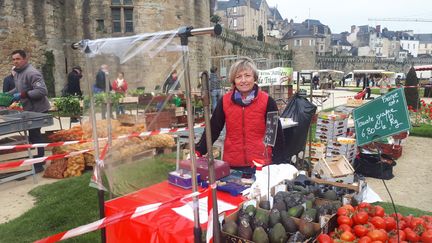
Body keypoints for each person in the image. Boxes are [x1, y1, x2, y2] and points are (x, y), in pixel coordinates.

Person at [195, 57, 285, 174]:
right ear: (233, 80)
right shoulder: (225, 101)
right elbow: (213, 128)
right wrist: (199, 150)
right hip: (233, 164)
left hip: (260, 164)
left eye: (247, 75)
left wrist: (279, 163)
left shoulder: (268, 101)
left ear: (254, 78)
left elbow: (275, 134)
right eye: (238, 77)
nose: (243, 80)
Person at [8, 50, 50, 173]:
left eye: (18, 59)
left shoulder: (32, 73)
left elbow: (42, 91)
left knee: (35, 135)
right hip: (29, 109)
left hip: (39, 109)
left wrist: (23, 94)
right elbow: (18, 88)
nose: (15, 61)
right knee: (33, 135)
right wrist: (8, 94)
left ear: (25, 59)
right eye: (14, 59)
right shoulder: (18, 73)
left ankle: (39, 164)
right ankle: (38, 158)